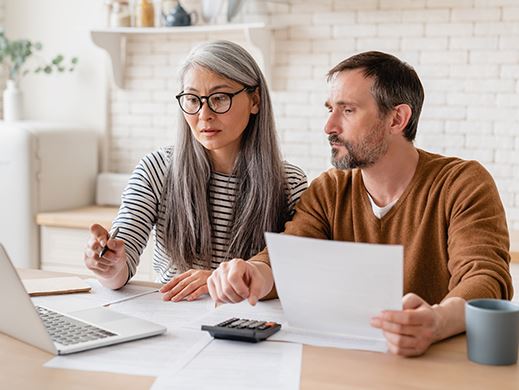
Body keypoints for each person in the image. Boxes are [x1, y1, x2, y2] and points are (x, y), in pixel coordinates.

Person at [207, 51, 513, 357]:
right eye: (330, 110)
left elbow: (486, 279)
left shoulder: (461, 183)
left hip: (437, 362)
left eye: (348, 110)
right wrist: (253, 273)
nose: (329, 126)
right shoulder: (330, 189)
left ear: (397, 118)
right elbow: (290, 255)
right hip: (351, 360)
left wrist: (436, 321)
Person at [83, 40, 307, 302]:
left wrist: (217, 281)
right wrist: (108, 264)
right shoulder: (157, 169)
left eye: (220, 98)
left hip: (251, 324)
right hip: (175, 320)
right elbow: (121, 266)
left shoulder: (289, 182)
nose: (204, 115)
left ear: (255, 100)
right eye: (192, 100)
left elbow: (294, 274)